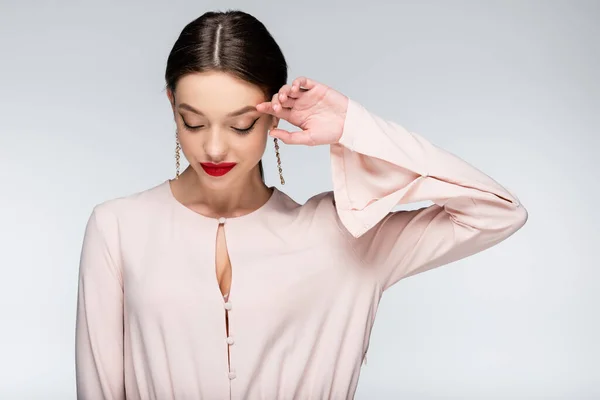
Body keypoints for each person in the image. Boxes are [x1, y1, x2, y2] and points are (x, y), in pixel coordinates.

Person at [75, 9, 528, 400]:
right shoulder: (117, 229)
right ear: (172, 105)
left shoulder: (342, 234)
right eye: (193, 123)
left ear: (273, 111)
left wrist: (354, 125)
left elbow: (496, 211)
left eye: (240, 126)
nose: (214, 148)